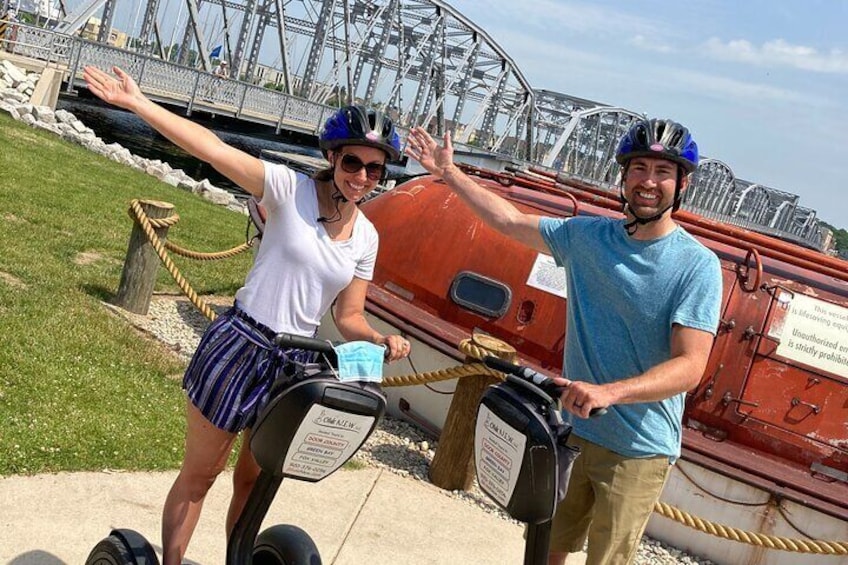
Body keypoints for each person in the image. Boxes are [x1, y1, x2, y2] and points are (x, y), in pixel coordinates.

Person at [82, 65, 412, 565]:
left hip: (293, 365)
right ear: (331, 156)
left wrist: (380, 338)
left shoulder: (367, 236)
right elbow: (212, 149)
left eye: (375, 169)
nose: (362, 177)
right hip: (241, 344)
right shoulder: (288, 190)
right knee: (200, 474)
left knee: (253, 481)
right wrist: (139, 104)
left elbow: (349, 317)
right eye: (353, 162)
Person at [405, 119, 722, 565]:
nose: (649, 182)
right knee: (546, 547)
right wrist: (450, 174)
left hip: (639, 448)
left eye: (663, 172)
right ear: (624, 176)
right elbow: (509, 219)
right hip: (574, 430)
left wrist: (609, 392)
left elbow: (690, 365)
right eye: (639, 168)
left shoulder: (697, 266)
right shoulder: (587, 238)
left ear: (681, 183)